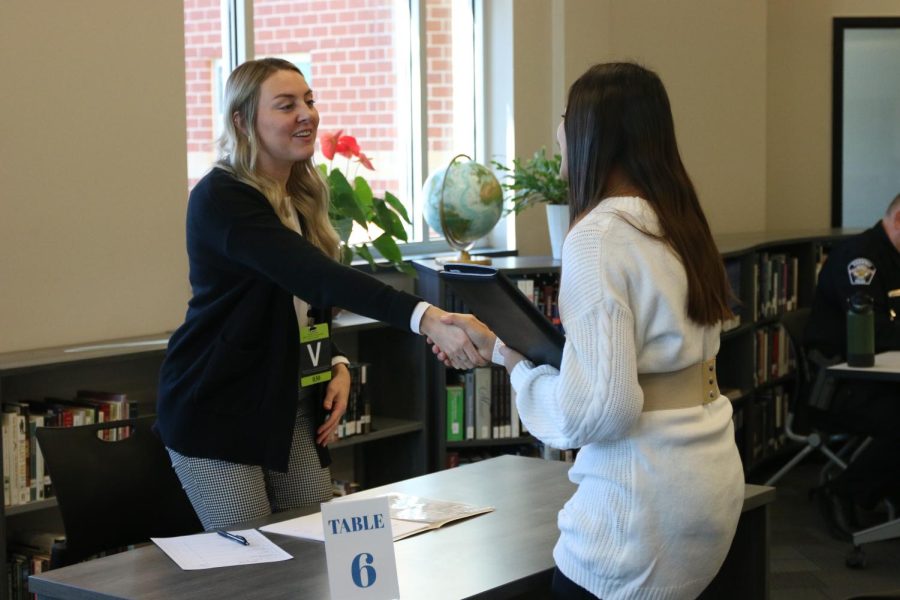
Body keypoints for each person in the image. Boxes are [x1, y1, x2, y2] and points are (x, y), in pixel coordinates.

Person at [438, 62, 744, 599]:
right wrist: (510, 347)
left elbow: (598, 410)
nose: (557, 130)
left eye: (564, 115)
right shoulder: (677, 221)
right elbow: (637, 367)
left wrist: (516, 369)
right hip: (708, 479)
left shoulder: (598, 235)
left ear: (591, 131)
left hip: (637, 505)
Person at [156, 57, 486, 531]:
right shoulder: (222, 197)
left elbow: (297, 304)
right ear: (242, 121)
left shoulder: (299, 195)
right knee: (258, 566)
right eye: (286, 105)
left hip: (283, 399)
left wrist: (335, 361)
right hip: (215, 407)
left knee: (318, 547)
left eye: (309, 101)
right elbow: (315, 276)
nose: (306, 114)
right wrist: (426, 317)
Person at [804, 193, 900, 537]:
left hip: (881, 379)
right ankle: (843, 492)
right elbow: (873, 330)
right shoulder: (861, 260)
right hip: (838, 385)